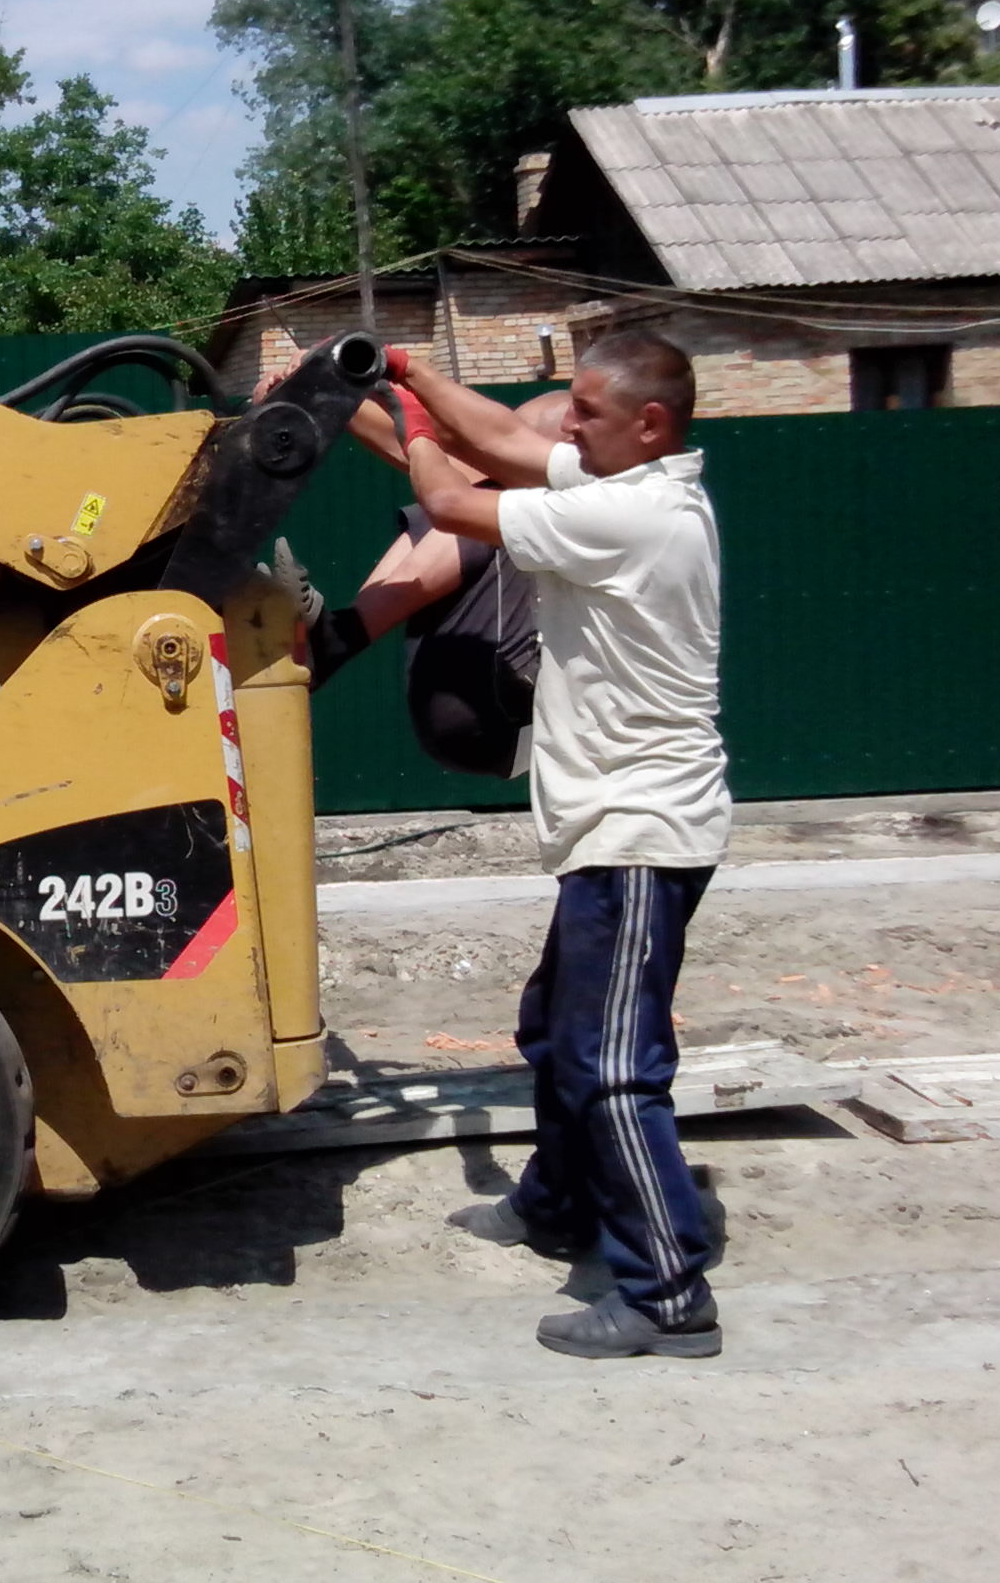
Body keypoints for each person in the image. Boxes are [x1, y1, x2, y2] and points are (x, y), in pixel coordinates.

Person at [385, 330, 731, 1359]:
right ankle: (558, 1203)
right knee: (556, 1025)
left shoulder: (630, 515)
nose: (564, 424)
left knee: (612, 1064)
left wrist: (410, 421)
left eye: (584, 410)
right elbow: (501, 437)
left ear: (649, 423)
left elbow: (450, 499)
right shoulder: (624, 474)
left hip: (640, 831)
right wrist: (415, 372)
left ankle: (667, 1294)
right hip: (609, 826)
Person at [280, 390, 570, 779]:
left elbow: (440, 475)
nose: (505, 450)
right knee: (455, 501)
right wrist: (326, 391)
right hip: (474, 715)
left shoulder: (595, 502)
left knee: (474, 509)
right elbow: (416, 452)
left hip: (517, 723)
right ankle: (334, 637)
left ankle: (335, 641)